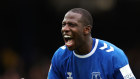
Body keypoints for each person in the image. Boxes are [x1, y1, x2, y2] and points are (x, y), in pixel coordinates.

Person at [48, 8, 136, 79]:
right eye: (63, 24)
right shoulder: (60, 55)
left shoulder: (114, 55)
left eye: (71, 24)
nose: (65, 29)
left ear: (87, 30)